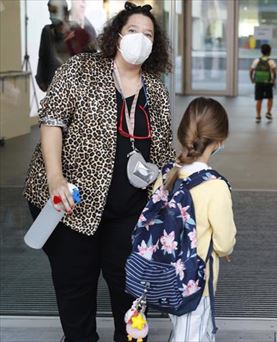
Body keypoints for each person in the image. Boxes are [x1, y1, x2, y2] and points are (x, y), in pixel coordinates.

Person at [23, 2, 174, 341]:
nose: (140, 40)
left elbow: (164, 155)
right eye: (133, 31)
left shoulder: (157, 90)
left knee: (133, 299)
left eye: (148, 35)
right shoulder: (81, 69)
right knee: (75, 294)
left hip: (129, 215)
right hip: (73, 208)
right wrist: (55, 179)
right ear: (117, 35)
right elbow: (52, 122)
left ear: (156, 45)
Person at [162, 97, 237, 342]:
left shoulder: (167, 175)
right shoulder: (215, 186)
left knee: (182, 331)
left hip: (165, 274)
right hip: (196, 283)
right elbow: (225, 243)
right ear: (218, 142)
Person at [36, 0, 72, 91]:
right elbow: (42, 57)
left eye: (54, 11)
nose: (51, 15)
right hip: (52, 87)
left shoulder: (76, 32)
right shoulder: (47, 31)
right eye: (50, 11)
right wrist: (41, 80)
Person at [249, 43, 277, 123]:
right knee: (270, 98)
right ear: (269, 52)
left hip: (258, 82)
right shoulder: (271, 61)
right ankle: (268, 112)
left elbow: (251, 70)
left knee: (259, 99)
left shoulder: (257, 60)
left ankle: (258, 116)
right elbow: (274, 72)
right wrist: (273, 80)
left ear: (261, 52)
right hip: (268, 82)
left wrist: (252, 79)